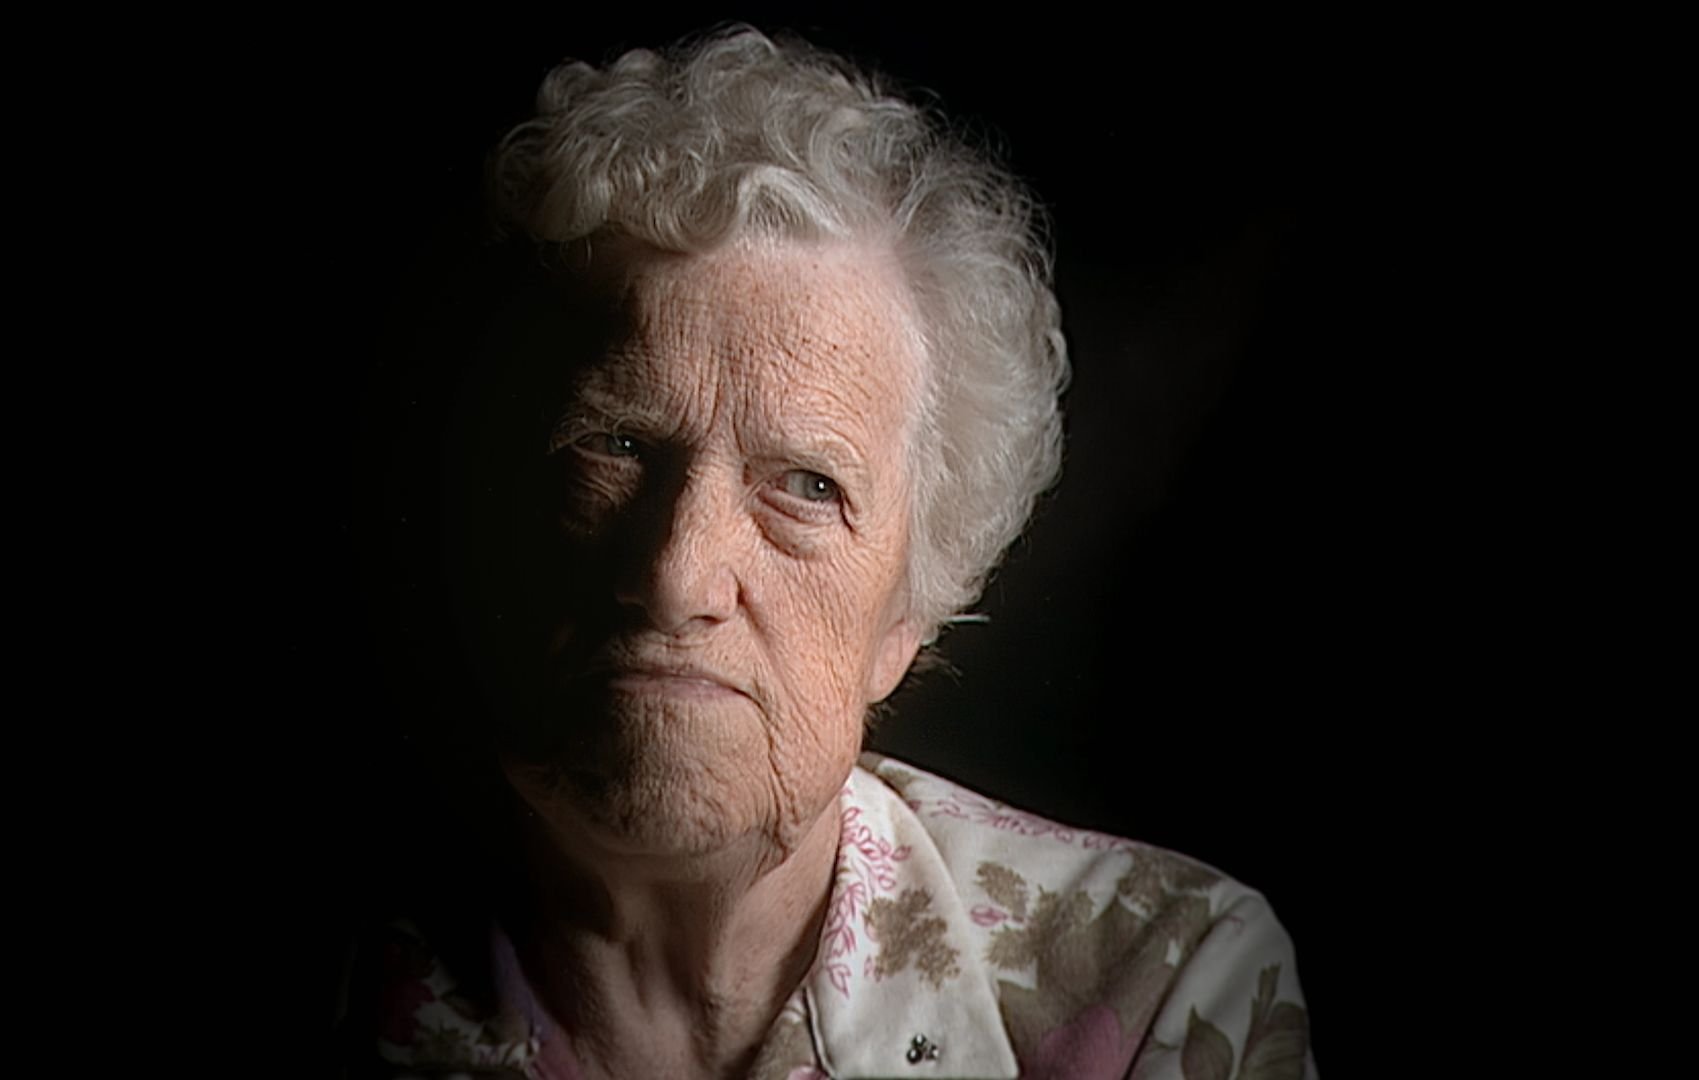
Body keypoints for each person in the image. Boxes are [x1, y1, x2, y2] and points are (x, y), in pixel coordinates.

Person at [347, 25, 1313, 1080]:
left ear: (905, 617)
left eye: (808, 486)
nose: (675, 576)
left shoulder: (1166, 981)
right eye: (615, 446)